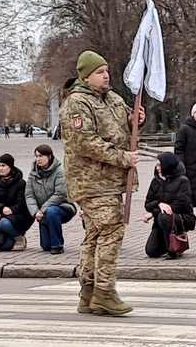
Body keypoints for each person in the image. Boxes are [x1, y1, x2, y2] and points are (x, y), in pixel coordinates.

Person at [59, 51, 141, 316]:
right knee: (112, 229)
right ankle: (105, 292)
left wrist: (136, 119)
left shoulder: (113, 98)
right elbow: (83, 141)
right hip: (91, 180)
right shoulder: (77, 103)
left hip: (111, 180)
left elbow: (124, 125)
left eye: (106, 71)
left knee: (95, 234)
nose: (105, 76)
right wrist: (122, 158)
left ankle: (89, 293)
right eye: (99, 72)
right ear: (85, 76)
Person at [142, 150, 194, 259]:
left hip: (180, 218)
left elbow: (181, 204)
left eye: (159, 165)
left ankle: (175, 248)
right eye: (156, 165)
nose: (157, 168)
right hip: (160, 220)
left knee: (165, 216)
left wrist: (154, 213)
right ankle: (168, 243)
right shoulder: (155, 181)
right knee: (152, 251)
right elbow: (148, 204)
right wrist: (159, 204)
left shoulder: (183, 181)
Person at [26, 143, 73, 253]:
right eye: (36, 156)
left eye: (41, 156)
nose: (38, 159)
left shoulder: (59, 172)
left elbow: (60, 194)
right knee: (45, 246)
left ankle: (58, 246)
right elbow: (29, 195)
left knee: (51, 211)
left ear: (49, 157)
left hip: (62, 207)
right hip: (43, 212)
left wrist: (43, 209)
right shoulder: (33, 173)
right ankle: (51, 242)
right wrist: (36, 212)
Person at [0, 152, 30, 251]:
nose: (0, 168)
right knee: (4, 246)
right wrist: (1, 209)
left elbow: (22, 203)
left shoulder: (21, 183)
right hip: (4, 214)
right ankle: (14, 237)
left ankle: (19, 238)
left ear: (10, 167)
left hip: (19, 215)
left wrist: (10, 210)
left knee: (4, 223)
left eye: (3, 165)